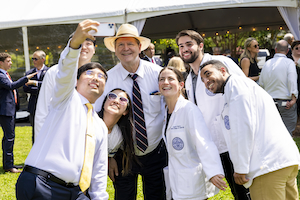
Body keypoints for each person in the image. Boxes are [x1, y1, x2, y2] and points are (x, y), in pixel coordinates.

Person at [16, 20, 108, 200]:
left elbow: (99, 169)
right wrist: (74, 45)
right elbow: (65, 74)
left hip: (75, 191)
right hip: (43, 185)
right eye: (89, 74)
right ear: (76, 81)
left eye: (101, 76)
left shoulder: (99, 126)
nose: (95, 78)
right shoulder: (66, 97)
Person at [200, 60, 300, 200]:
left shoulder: (237, 88)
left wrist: (240, 168)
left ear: (223, 70)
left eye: (208, 74)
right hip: (282, 162)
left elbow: (242, 128)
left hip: (266, 166)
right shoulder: (241, 87)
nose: (206, 81)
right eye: (202, 80)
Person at [175, 30, 250, 200]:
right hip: (216, 146)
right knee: (238, 193)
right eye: (181, 46)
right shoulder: (189, 79)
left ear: (200, 46)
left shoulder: (219, 63)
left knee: (247, 192)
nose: (184, 49)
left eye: (189, 44)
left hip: (235, 142)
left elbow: (244, 92)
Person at [95, 23, 167, 199]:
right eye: (121, 44)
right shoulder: (108, 79)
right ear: (115, 49)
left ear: (140, 47)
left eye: (130, 44)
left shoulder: (159, 75)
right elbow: (98, 120)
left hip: (156, 151)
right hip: (122, 154)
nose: (125, 49)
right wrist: (108, 155)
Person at [159, 66, 226, 200]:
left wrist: (213, 172)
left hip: (192, 179)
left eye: (170, 79)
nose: (165, 82)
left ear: (181, 85)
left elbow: (204, 142)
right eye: (162, 79)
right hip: (176, 179)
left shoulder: (189, 110)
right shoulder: (164, 111)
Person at [34, 28, 97, 139]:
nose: (84, 47)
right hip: (57, 135)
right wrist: (41, 142)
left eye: (88, 43)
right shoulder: (54, 72)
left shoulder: (97, 76)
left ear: (94, 49)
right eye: (79, 44)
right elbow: (42, 112)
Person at [0, 53, 37, 173]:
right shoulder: (0, 75)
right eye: (8, 61)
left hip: (9, 110)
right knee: (9, 138)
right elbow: (11, 86)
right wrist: (26, 78)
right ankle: (9, 166)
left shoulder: (5, 74)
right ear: (1, 62)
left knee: (9, 137)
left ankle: (9, 164)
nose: (11, 63)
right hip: (5, 111)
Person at [259, 40, 298, 135]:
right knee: (287, 132)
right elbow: (292, 81)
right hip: (286, 103)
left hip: (269, 102)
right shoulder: (289, 63)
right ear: (288, 50)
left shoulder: (267, 63)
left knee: (271, 132)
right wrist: (294, 98)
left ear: (276, 50)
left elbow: (261, 83)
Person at [97, 88, 136, 177]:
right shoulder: (88, 123)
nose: (116, 101)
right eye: (112, 96)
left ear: (125, 111)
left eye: (122, 100)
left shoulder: (118, 136)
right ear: (104, 103)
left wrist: (110, 158)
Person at [23, 50, 49, 144]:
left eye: (36, 59)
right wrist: (41, 87)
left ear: (43, 59)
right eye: (32, 59)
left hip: (47, 106)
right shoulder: (29, 73)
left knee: (48, 130)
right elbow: (26, 88)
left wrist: (34, 83)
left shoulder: (49, 72)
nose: (34, 61)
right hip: (34, 106)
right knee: (35, 131)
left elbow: (50, 87)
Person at [291, 40, 300, 115]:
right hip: (292, 85)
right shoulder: (288, 60)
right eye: (296, 48)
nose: (299, 50)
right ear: (292, 49)